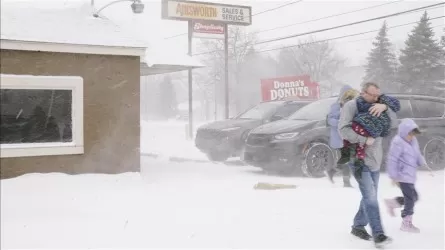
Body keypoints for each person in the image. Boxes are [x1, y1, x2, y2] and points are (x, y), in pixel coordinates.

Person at [338, 82, 398, 248]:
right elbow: (343, 130)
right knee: (371, 198)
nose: (375, 98)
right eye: (372, 95)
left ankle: (358, 226)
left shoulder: (380, 104)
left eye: (377, 95)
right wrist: (364, 139)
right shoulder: (351, 106)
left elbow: (393, 123)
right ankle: (378, 235)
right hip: (358, 159)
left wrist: (384, 108)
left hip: (374, 160)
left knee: (369, 196)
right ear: (363, 93)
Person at [337, 93, 400, 180]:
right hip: (363, 129)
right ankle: (349, 164)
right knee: (357, 148)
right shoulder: (357, 105)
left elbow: (394, 114)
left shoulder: (380, 103)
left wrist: (384, 107)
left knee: (361, 150)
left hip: (369, 132)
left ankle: (352, 165)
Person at [384, 118, 426, 233]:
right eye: (409, 134)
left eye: (413, 135)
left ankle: (393, 203)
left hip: (410, 176)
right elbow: (392, 159)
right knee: (411, 199)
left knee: (414, 197)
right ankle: (406, 223)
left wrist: (421, 162)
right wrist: (394, 176)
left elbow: (417, 153)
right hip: (402, 176)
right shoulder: (397, 142)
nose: (411, 137)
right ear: (403, 132)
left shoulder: (413, 141)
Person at [326, 85, 359, 187]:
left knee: (348, 159)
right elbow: (330, 120)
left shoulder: (352, 105)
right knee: (347, 159)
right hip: (339, 137)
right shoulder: (336, 106)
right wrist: (340, 123)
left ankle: (332, 171)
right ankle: (346, 182)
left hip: (348, 136)